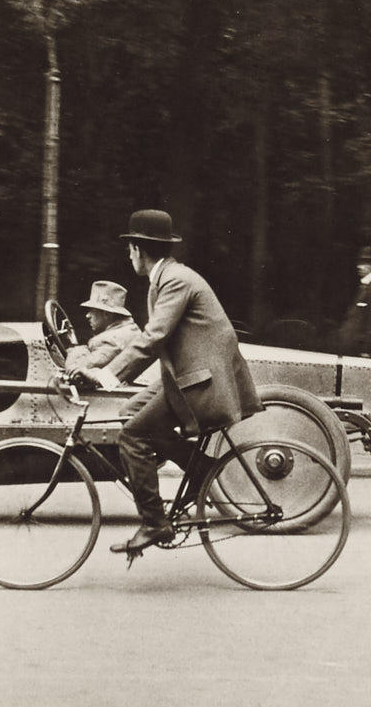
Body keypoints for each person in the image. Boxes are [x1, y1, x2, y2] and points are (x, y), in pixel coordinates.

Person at [76, 209, 263, 554]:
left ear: (138, 249)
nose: (128, 254)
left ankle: (154, 524)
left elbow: (153, 338)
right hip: (189, 376)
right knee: (130, 410)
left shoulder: (176, 280)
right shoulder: (167, 278)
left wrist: (106, 374)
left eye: (129, 248)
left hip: (201, 382)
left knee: (132, 435)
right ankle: (202, 469)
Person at [63, 280, 141, 376]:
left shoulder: (111, 341)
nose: (88, 315)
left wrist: (74, 349)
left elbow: (75, 368)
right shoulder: (129, 329)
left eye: (92, 310)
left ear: (106, 314)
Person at [338, 246, 371, 358]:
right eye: (360, 263)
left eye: (365, 263)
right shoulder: (365, 286)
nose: (359, 267)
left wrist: (367, 349)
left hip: (360, 349)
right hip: (352, 346)